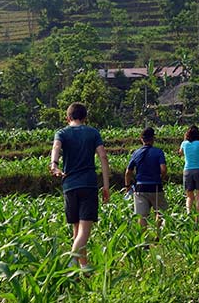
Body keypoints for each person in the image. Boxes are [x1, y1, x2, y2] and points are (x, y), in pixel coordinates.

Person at [49, 102, 111, 271]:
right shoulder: (93, 133)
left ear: (68, 117)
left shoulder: (61, 132)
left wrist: (54, 164)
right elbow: (103, 157)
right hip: (88, 185)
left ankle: (83, 268)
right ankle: (71, 263)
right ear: (85, 117)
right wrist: (106, 185)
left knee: (77, 230)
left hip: (69, 185)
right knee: (84, 231)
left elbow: (56, 147)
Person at [124, 127, 168, 231]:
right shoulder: (158, 152)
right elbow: (163, 169)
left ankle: (144, 240)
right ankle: (158, 234)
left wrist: (127, 186)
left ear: (141, 139)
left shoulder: (136, 153)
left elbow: (128, 172)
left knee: (142, 216)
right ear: (153, 139)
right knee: (160, 212)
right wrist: (161, 178)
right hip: (155, 186)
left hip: (140, 187)